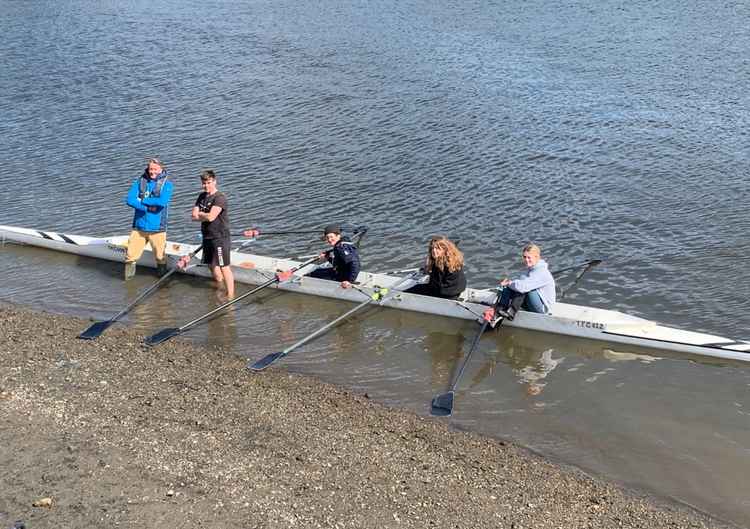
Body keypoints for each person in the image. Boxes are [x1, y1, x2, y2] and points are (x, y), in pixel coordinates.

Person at [178, 170, 234, 299]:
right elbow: (193, 216)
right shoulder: (201, 196)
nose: (206, 186)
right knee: (211, 265)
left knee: (224, 267)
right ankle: (220, 286)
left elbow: (211, 217)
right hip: (207, 236)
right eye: (204, 183)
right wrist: (204, 215)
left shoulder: (220, 198)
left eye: (209, 183)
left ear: (214, 181)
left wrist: (201, 215)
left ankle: (231, 296)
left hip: (220, 237)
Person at [124, 157, 173, 279]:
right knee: (130, 256)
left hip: (157, 228)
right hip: (139, 227)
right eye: (151, 169)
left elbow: (162, 202)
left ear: (161, 169)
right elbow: (129, 200)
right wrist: (147, 208)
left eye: (155, 169)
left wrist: (144, 200)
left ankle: (162, 282)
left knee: (160, 257)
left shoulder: (167, 185)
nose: (152, 172)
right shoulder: (139, 182)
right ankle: (128, 280)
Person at [485, 243, 555, 322]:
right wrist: (507, 283)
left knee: (523, 288)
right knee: (510, 287)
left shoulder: (542, 272)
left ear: (537, 257)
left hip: (544, 309)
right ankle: (501, 309)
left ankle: (511, 312)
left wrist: (510, 283)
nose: (526, 260)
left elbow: (522, 287)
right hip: (533, 302)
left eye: (529, 257)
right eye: (524, 257)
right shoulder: (531, 268)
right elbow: (519, 280)